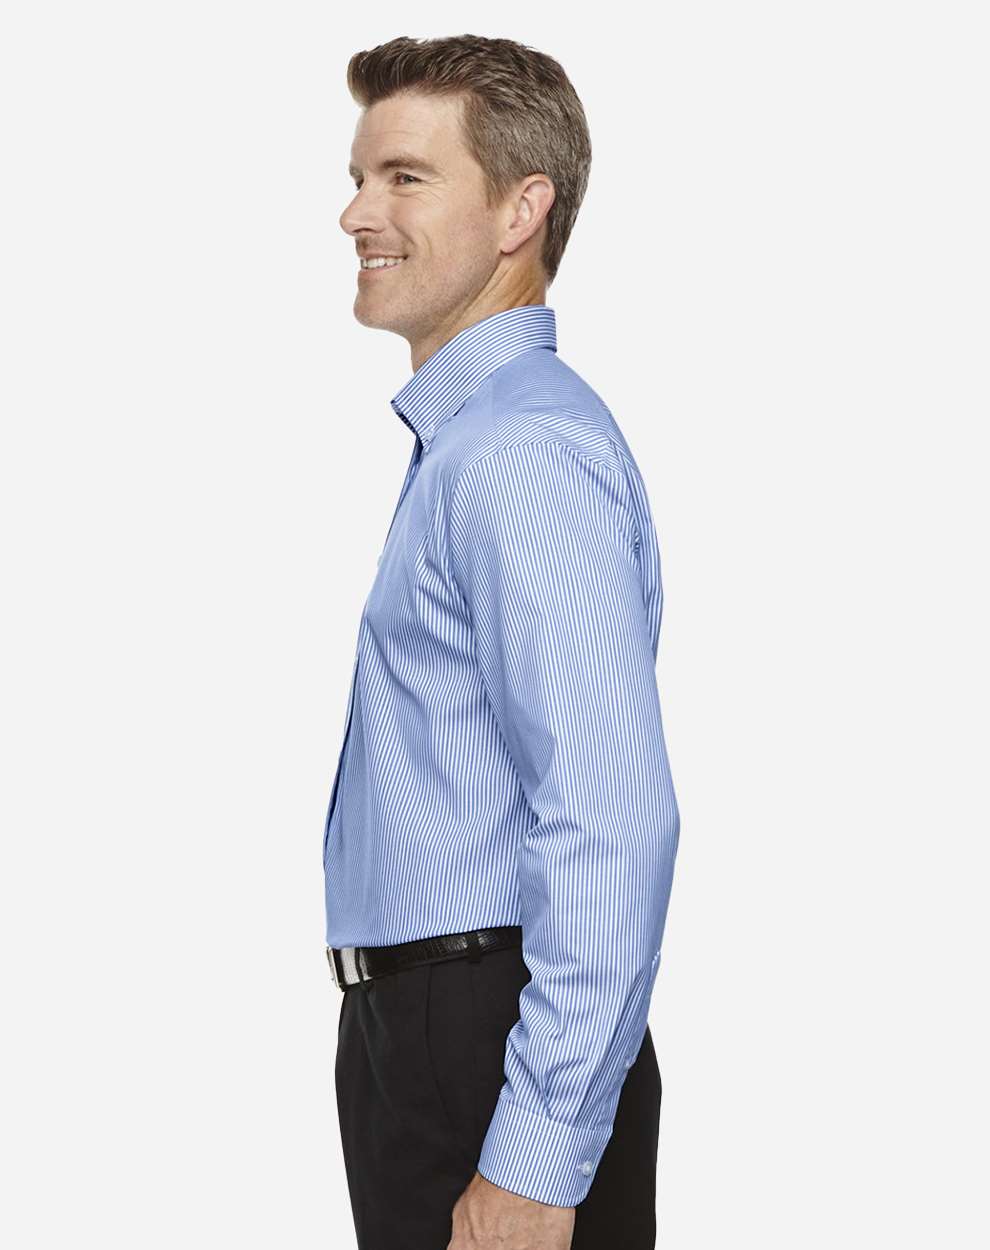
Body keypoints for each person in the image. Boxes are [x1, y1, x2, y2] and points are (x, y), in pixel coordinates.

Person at [324, 33, 681, 1250]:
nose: (355, 212)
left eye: (405, 177)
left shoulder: (517, 452)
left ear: (520, 210)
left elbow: (610, 818)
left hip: (485, 1038)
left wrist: (535, 1151)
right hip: (439, 1027)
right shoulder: (474, 441)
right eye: (360, 176)